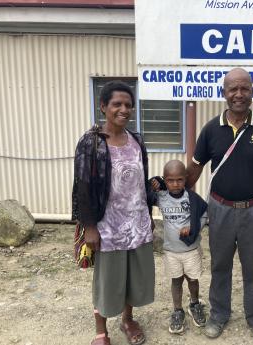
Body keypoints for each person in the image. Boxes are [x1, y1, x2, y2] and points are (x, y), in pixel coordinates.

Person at [186, 67, 253, 344]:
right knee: (220, 265)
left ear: (252, 92)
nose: (239, 94)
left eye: (244, 88)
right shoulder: (211, 130)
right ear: (224, 93)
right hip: (219, 210)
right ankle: (219, 315)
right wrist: (176, 194)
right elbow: (194, 168)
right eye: (233, 89)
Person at [72, 81, 155, 345]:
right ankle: (101, 331)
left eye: (128, 105)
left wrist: (149, 214)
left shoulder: (136, 140)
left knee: (132, 277)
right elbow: (82, 187)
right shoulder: (91, 143)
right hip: (107, 226)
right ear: (103, 107)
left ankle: (127, 320)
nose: (124, 109)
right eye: (117, 104)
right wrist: (90, 227)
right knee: (107, 281)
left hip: (137, 223)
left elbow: (139, 182)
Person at [150, 160, 208, 335]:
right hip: (171, 251)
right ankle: (177, 310)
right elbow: (143, 194)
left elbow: (205, 212)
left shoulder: (191, 198)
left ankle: (194, 304)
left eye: (180, 180)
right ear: (165, 180)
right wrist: (154, 182)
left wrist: (193, 227)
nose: (175, 184)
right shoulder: (161, 197)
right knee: (176, 280)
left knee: (192, 279)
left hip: (190, 249)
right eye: (170, 180)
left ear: (186, 179)